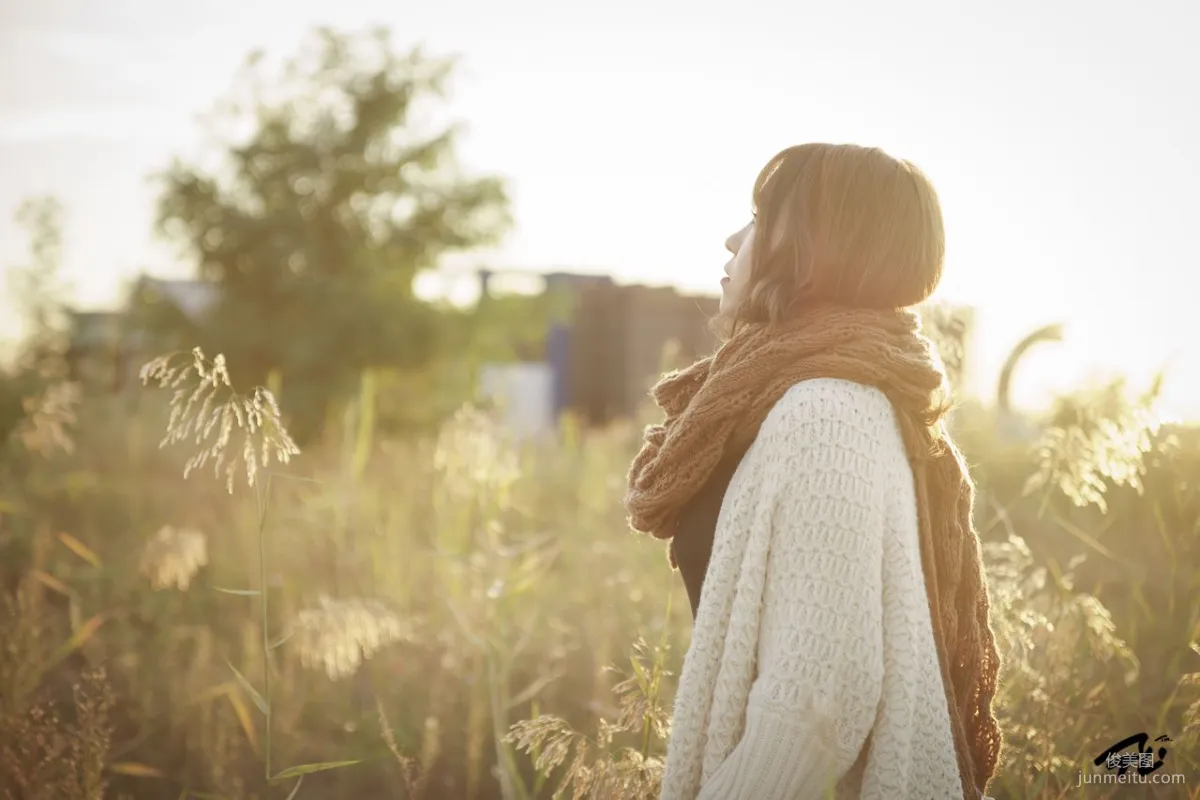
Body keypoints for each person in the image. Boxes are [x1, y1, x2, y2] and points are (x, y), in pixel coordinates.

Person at [624, 143, 1002, 799]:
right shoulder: (809, 395)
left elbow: (815, 711)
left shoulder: (828, 416)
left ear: (811, 246)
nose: (731, 239)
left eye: (756, 220)